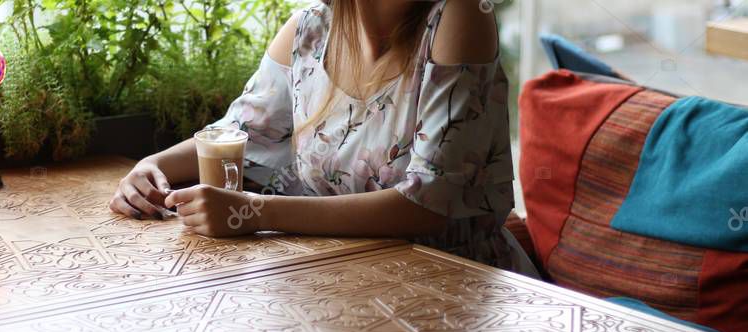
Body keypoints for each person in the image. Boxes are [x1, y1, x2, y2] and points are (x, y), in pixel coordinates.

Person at [110, 0, 534, 274]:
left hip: (449, 281)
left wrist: (256, 212)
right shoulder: (307, 30)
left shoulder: (459, 17)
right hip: (338, 272)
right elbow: (241, 134)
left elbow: (430, 202)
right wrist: (153, 167)